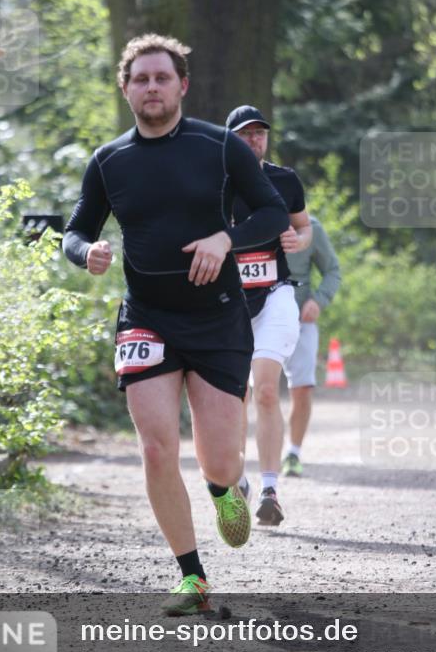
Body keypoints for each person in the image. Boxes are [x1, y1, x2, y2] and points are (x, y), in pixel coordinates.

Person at [63, 35, 289, 615]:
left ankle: (222, 489)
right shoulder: (109, 160)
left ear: (182, 85)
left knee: (219, 459)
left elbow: (270, 212)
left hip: (216, 320)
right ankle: (192, 576)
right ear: (126, 88)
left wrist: (226, 238)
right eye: (141, 79)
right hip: (146, 318)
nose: (152, 87)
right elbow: (75, 229)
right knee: (158, 448)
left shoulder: (219, 148)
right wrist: (84, 251)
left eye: (163, 77)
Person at [226, 105, 311, 527]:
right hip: (227, 302)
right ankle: (236, 478)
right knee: (233, 396)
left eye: (260, 134)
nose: (254, 140)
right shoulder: (213, 182)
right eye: (245, 134)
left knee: (263, 390)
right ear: (230, 140)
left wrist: (298, 239)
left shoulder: (284, 179)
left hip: (275, 294)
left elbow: (304, 225)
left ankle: (270, 489)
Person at [282, 215, 341, 477]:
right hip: (255, 320)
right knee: (253, 393)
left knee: (303, 387)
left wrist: (319, 300)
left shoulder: (311, 229)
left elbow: (332, 270)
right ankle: (244, 456)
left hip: (300, 320)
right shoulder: (246, 224)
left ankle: (293, 452)